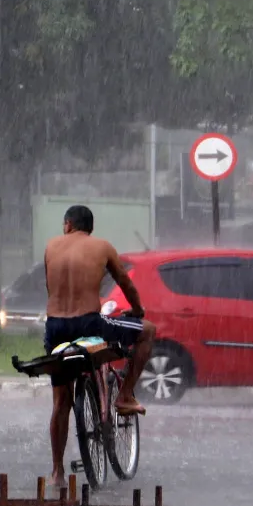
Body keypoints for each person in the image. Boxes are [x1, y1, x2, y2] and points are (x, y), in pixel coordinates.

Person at [42, 204, 156, 488]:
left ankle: (57, 472)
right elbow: (126, 283)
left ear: (68, 225)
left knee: (61, 401)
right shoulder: (102, 247)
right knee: (148, 332)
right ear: (90, 229)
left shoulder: (51, 247)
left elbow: (51, 288)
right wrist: (137, 310)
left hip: (55, 327)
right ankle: (125, 395)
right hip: (89, 324)